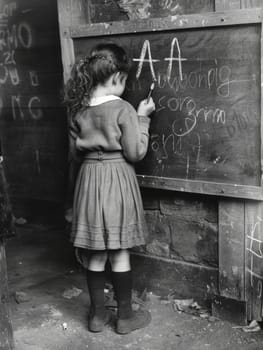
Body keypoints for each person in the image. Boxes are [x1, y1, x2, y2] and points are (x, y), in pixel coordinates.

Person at [64, 42, 155, 334]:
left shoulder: (77, 110)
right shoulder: (124, 109)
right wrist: (143, 118)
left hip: (89, 180)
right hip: (117, 179)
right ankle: (125, 318)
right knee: (119, 252)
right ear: (116, 77)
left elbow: (75, 154)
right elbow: (135, 152)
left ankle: (97, 317)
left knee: (95, 253)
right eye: (125, 80)